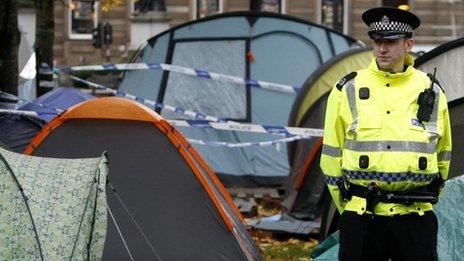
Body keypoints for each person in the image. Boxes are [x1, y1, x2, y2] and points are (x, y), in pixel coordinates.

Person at [320, 6, 452, 261]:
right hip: (362, 219)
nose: (382, 48)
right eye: (377, 41)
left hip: (415, 219)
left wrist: (427, 196)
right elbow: (331, 156)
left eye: (390, 42)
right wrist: (349, 207)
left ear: (408, 44)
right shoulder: (348, 88)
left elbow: (444, 153)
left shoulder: (431, 90)